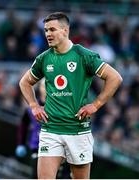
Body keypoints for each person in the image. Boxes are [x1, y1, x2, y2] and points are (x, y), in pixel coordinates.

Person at [19, 12, 122, 179]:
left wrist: (96, 105)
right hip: (50, 130)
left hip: (77, 131)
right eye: (46, 30)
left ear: (65, 30)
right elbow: (24, 82)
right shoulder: (43, 59)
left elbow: (115, 77)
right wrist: (33, 105)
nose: (48, 34)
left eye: (52, 29)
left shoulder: (83, 55)